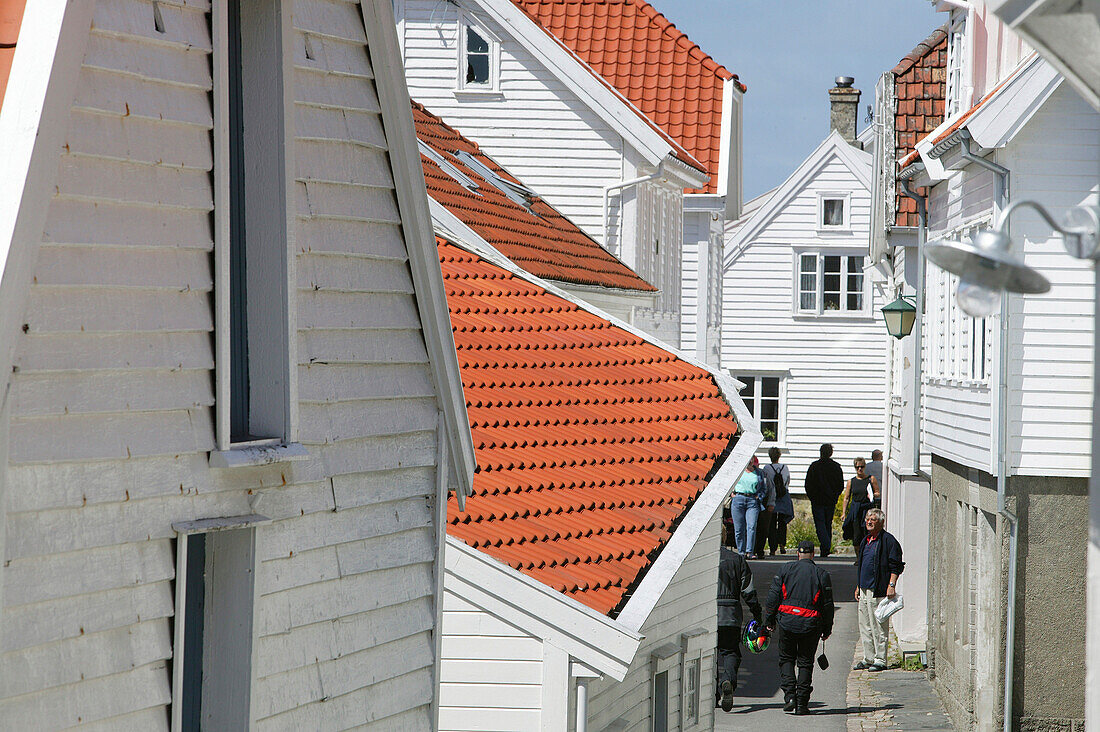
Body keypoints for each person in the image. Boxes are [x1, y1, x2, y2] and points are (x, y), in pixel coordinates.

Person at [764, 539, 835, 716]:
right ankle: (802, 704)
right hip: (811, 624)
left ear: (798, 554)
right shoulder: (821, 574)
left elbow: (773, 597)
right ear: (813, 555)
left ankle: (790, 697)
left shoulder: (785, 569)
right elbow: (827, 605)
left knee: (786, 659)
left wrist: (769, 620)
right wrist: (827, 628)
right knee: (805, 662)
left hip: (787, 621)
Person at [853, 509, 905, 672]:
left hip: (879, 589)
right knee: (865, 625)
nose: (869, 521)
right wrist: (858, 586)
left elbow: (896, 564)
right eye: (868, 518)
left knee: (879, 625)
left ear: (881, 522)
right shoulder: (866, 540)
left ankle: (880, 659)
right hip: (864, 589)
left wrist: (891, 585)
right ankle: (868, 658)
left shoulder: (888, 541)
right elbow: (861, 565)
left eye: (873, 519)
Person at [716, 529, 762, 712]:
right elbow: (748, 590)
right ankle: (728, 680)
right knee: (730, 652)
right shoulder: (737, 560)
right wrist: (757, 613)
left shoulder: (705, 558)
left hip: (708, 614)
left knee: (709, 656)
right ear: (725, 537)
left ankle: (711, 696)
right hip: (731, 614)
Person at [804, 443, 844, 557]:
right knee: (827, 524)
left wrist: (812, 497)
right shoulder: (836, 467)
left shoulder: (814, 466)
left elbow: (808, 484)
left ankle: (825, 545)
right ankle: (825, 547)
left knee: (820, 524)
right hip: (830, 500)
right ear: (831, 453)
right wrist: (835, 496)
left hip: (818, 500)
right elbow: (840, 485)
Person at [760, 447, 794, 555]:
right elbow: (787, 481)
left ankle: (772, 548)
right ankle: (782, 544)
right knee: (783, 522)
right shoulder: (785, 467)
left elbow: (765, 482)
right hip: (783, 496)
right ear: (779, 456)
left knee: (771, 523)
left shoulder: (766, 468)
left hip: (771, 496)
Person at [729, 456, 765, 558]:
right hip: (738, 499)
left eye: (752, 458)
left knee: (751, 526)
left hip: (752, 501)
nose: (750, 461)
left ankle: (749, 552)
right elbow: (729, 482)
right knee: (739, 528)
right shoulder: (738, 471)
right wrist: (731, 493)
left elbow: (763, 488)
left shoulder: (758, 473)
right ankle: (741, 552)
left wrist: (759, 497)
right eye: (748, 458)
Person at [840, 457, 880, 547]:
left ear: (864, 467)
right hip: (856, 510)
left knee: (867, 532)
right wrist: (844, 513)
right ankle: (858, 558)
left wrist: (873, 495)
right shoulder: (851, 481)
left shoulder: (871, 479)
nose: (860, 469)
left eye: (861, 467)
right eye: (857, 467)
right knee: (856, 535)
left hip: (867, 510)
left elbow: (877, 492)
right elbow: (846, 498)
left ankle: (866, 554)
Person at [752, 452, 777, 557]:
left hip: (764, 505)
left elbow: (771, 489)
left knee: (763, 528)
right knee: (752, 527)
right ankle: (751, 549)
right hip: (752, 503)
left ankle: (760, 550)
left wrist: (771, 503)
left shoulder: (764, 474)